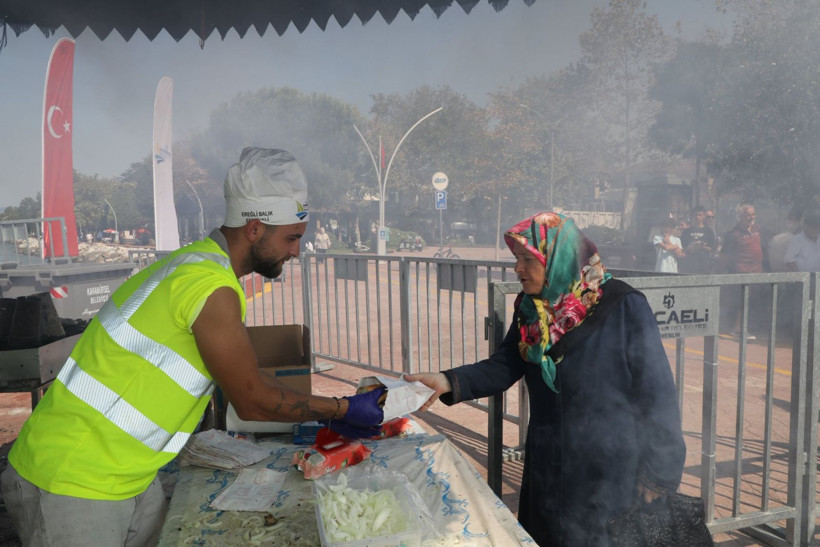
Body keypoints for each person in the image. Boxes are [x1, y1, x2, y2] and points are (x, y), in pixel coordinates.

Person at [0, 147, 385, 546]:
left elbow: (244, 381)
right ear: (254, 229)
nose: (296, 251)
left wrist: (329, 411)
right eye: (291, 238)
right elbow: (252, 400)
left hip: (127, 474)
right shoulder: (209, 285)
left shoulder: (198, 265)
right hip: (71, 479)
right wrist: (340, 408)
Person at [405, 212, 686, 546]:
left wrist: (659, 474)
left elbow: (657, 394)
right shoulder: (531, 308)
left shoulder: (622, 305)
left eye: (527, 259)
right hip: (549, 462)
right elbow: (505, 364)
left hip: (609, 469)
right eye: (517, 259)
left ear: (558, 259)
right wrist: (447, 380)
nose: (517, 268)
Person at [719, 204, 764, 339]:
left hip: (756, 273)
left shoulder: (757, 229)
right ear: (739, 217)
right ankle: (738, 329)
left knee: (751, 302)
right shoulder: (733, 234)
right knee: (742, 302)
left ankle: (744, 328)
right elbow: (724, 256)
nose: (751, 217)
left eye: (753, 214)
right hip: (741, 273)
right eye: (747, 215)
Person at [680, 205, 716, 274]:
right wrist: (692, 247)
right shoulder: (687, 231)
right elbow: (682, 249)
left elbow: (713, 249)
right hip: (689, 265)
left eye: (700, 215)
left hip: (704, 265)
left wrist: (702, 246)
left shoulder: (709, 231)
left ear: (704, 216)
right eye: (695, 215)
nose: (697, 217)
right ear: (693, 216)